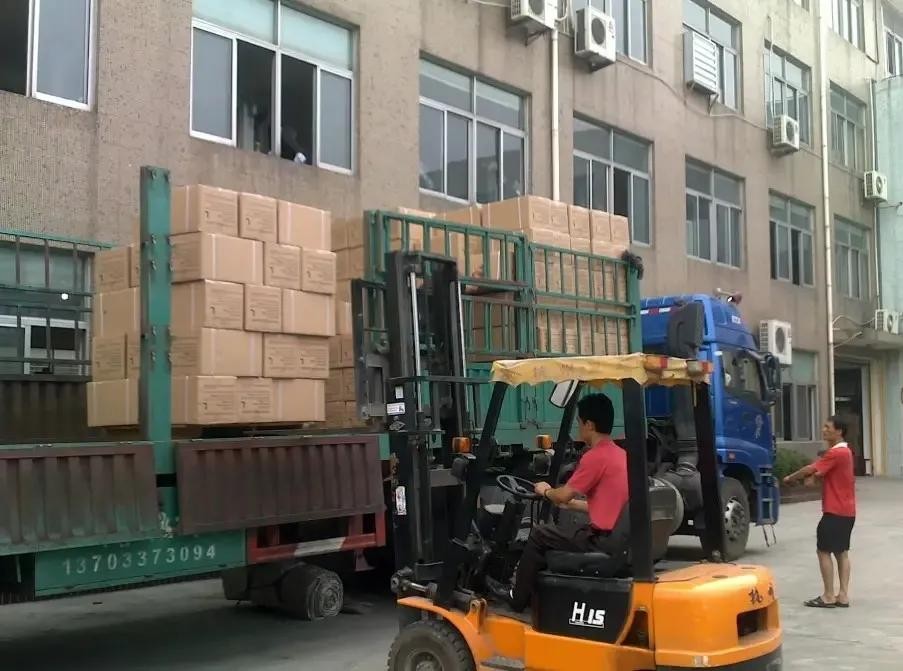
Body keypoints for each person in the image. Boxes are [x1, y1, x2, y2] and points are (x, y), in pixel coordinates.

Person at [489, 393, 629, 612]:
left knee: (540, 534)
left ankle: (517, 597)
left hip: (600, 540)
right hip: (616, 537)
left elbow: (563, 495)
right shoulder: (620, 455)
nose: (578, 428)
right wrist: (571, 505)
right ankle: (541, 594)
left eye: (579, 422)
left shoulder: (595, 457)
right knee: (556, 534)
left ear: (589, 425)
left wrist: (545, 491)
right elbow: (607, 505)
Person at [783, 415, 856, 608]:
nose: (824, 430)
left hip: (834, 510)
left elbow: (810, 469)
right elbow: (818, 475)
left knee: (823, 551)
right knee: (841, 552)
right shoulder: (846, 452)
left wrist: (790, 478)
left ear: (839, 431)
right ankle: (843, 595)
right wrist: (813, 478)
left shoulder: (836, 453)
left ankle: (828, 596)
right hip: (847, 511)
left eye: (827, 427)